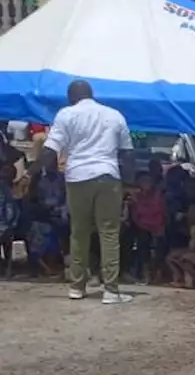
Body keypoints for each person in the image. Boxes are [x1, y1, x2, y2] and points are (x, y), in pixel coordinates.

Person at [40, 81, 135, 303]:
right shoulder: (114, 115)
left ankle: (77, 287)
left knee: (79, 232)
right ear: (91, 94)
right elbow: (128, 154)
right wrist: (129, 184)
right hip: (108, 176)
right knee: (109, 233)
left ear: (71, 96)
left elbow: (49, 150)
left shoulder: (66, 114)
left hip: (77, 177)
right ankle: (111, 290)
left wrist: (32, 173)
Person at [127, 171, 167, 283]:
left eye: (148, 181)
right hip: (142, 226)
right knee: (142, 241)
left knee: (160, 244)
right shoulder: (135, 197)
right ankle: (146, 273)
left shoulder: (159, 195)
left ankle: (159, 273)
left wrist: (159, 226)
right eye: (143, 181)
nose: (146, 184)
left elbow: (161, 212)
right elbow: (135, 216)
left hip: (158, 225)